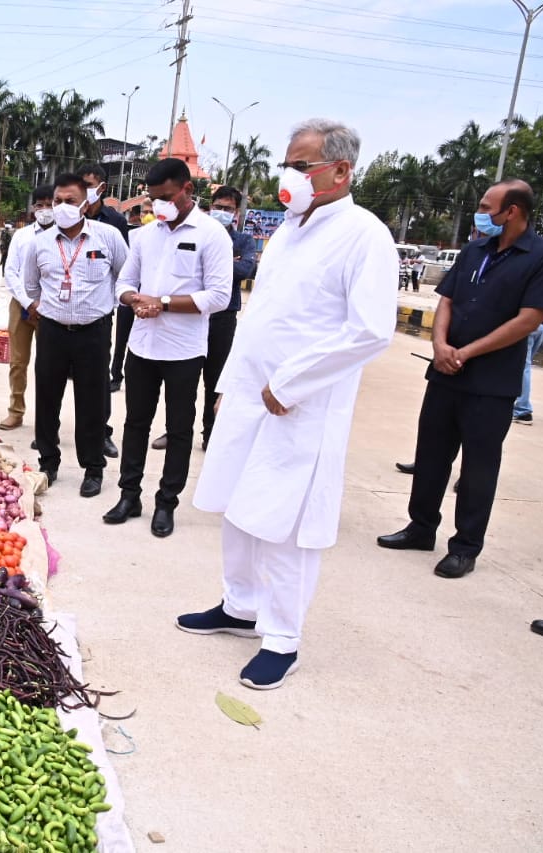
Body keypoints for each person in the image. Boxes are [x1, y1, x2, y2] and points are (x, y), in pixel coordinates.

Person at [179, 119, 396, 689]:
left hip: (301, 406)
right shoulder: (290, 231)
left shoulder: (364, 234)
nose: (289, 176)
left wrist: (292, 382)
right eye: (289, 164)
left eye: (301, 166)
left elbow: (370, 330)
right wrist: (230, 386)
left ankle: (282, 637)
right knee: (238, 507)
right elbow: (260, 318)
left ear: (341, 171)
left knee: (285, 524)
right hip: (252, 394)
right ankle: (239, 605)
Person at [377, 179, 543, 579]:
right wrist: (440, 344)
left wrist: (466, 353)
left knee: (478, 468)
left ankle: (465, 546)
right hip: (445, 374)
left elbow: (527, 320)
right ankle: (421, 528)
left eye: (488, 207)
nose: (481, 213)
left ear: (513, 212)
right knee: (432, 455)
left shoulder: (541, 256)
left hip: (491, 382)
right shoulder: (475, 249)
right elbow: (448, 300)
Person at [104, 158, 232, 537]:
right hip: (142, 345)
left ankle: (166, 503)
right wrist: (133, 299)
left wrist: (162, 301)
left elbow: (220, 295)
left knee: (179, 429)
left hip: (184, 350)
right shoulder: (145, 235)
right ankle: (130, 495)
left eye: (165, 197)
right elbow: (124, 281)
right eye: (153, 197)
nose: (158, 205)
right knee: (136, 424)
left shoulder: (211, 235)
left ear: (187, 191)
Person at [22, 172, 129, 496]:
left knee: (91, 403)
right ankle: (48, 462)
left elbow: (125, 276)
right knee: (47, 398)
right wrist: (41, 307)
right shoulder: (39, 242)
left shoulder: (108, 237)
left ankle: (93, 468)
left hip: (93, 332)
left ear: (85, 203)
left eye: (70, 201)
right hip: (53, 330)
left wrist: (111, 305)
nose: (62, 207)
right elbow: (30, 285)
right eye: (57, 201)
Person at [153, 186, 258, 451]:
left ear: (236, 213)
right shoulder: (195, 235)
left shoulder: (243, 240)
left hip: (222, 318)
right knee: (182, 380)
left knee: (215, 379)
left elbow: (247, 268)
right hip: (189, 315)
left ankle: (211, 434)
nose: (222, 212)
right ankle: (174, 431)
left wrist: (210, 265)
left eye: (228, 209)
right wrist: (221, 265)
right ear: (210, 206)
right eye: (219, 207)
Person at [77, 163, 133, 455]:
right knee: (59, 375)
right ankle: (51, 429)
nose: (84, 188)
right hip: (66, 309)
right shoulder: (68, 214)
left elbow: (124, 268)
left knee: (98, 374)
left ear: (101, 188)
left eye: (89, 183)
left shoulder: (114, 221)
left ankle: (102, 432)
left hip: (100, 311)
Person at [0, 185, 55, 430]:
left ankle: (46, 417)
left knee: (49, 366)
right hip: (22, 305)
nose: (45, 210)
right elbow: (10, 272)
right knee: (18, 362)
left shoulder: (63, 235)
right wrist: (28, 302)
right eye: (40, 204)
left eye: (49, 204)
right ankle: (16, 411)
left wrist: (44, 303)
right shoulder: (21, 236)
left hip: (52, 308)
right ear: (32, 209)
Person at [512, 310, 543, 424]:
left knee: (522, 367)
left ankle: (522, 410)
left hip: (528, 326)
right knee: (524, 367)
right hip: (542, 326)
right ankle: (522, 408)